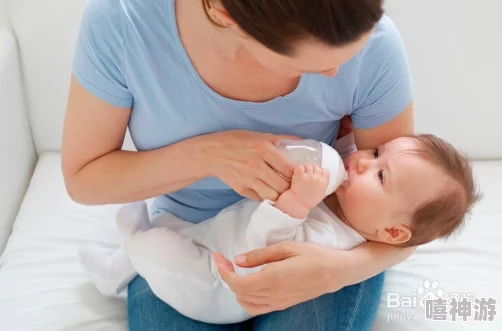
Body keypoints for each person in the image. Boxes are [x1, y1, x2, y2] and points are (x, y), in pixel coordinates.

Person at [62, 0, 416, 329]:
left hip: (317, 235)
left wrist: (340, 270)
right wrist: (209, 155)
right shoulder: (124, 24)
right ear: (222, 12)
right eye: (311, 62)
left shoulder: (371, 40)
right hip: (191, 235)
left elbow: (409, 212)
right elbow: (84, 178)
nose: (336, 70)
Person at [78, 133, 479, 325]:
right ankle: (127, 255)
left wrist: (294, 206)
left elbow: (259, 255)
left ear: (392, 233)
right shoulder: (343, 194)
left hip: (215, 284)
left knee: (157, 251)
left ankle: (128, 249)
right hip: (206, 233)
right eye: (375, 153)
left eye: (380, 175)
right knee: (168, 237)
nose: (360, 161)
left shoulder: (331, 244)